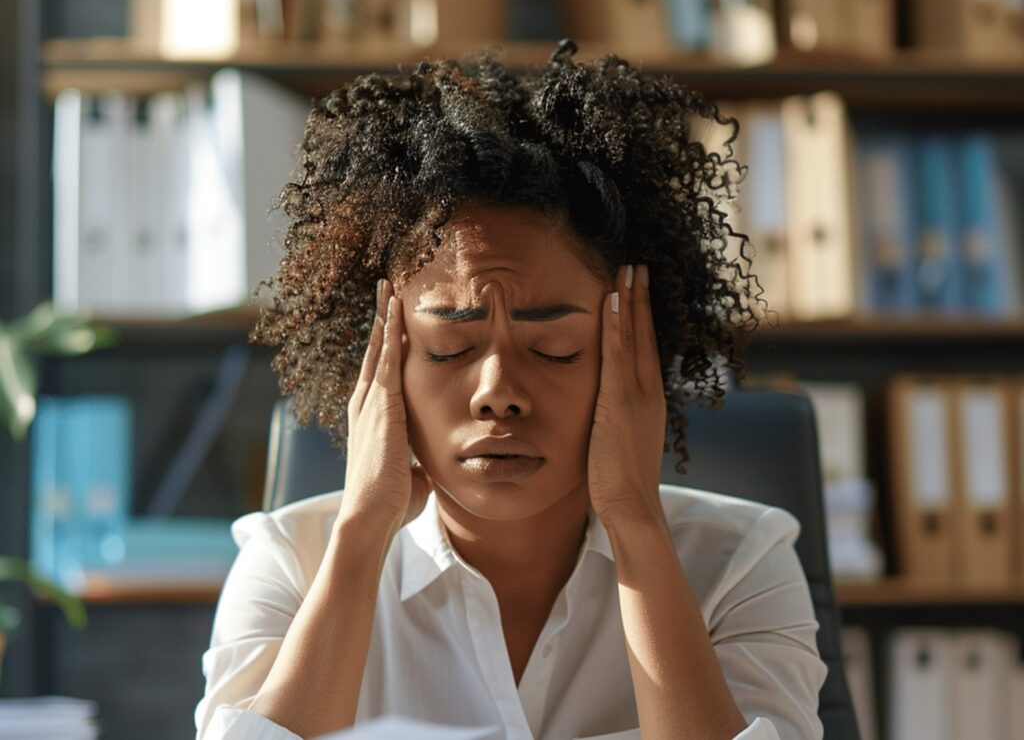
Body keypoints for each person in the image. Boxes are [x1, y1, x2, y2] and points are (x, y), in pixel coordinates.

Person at [194, 40, 827, 739]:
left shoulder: (740, 565)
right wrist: (362, 532)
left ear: (635, 359)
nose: (498, 392)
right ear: (380, 361)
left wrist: (636, 523)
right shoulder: (291, 563)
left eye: (554, 348)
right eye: (449, 348)